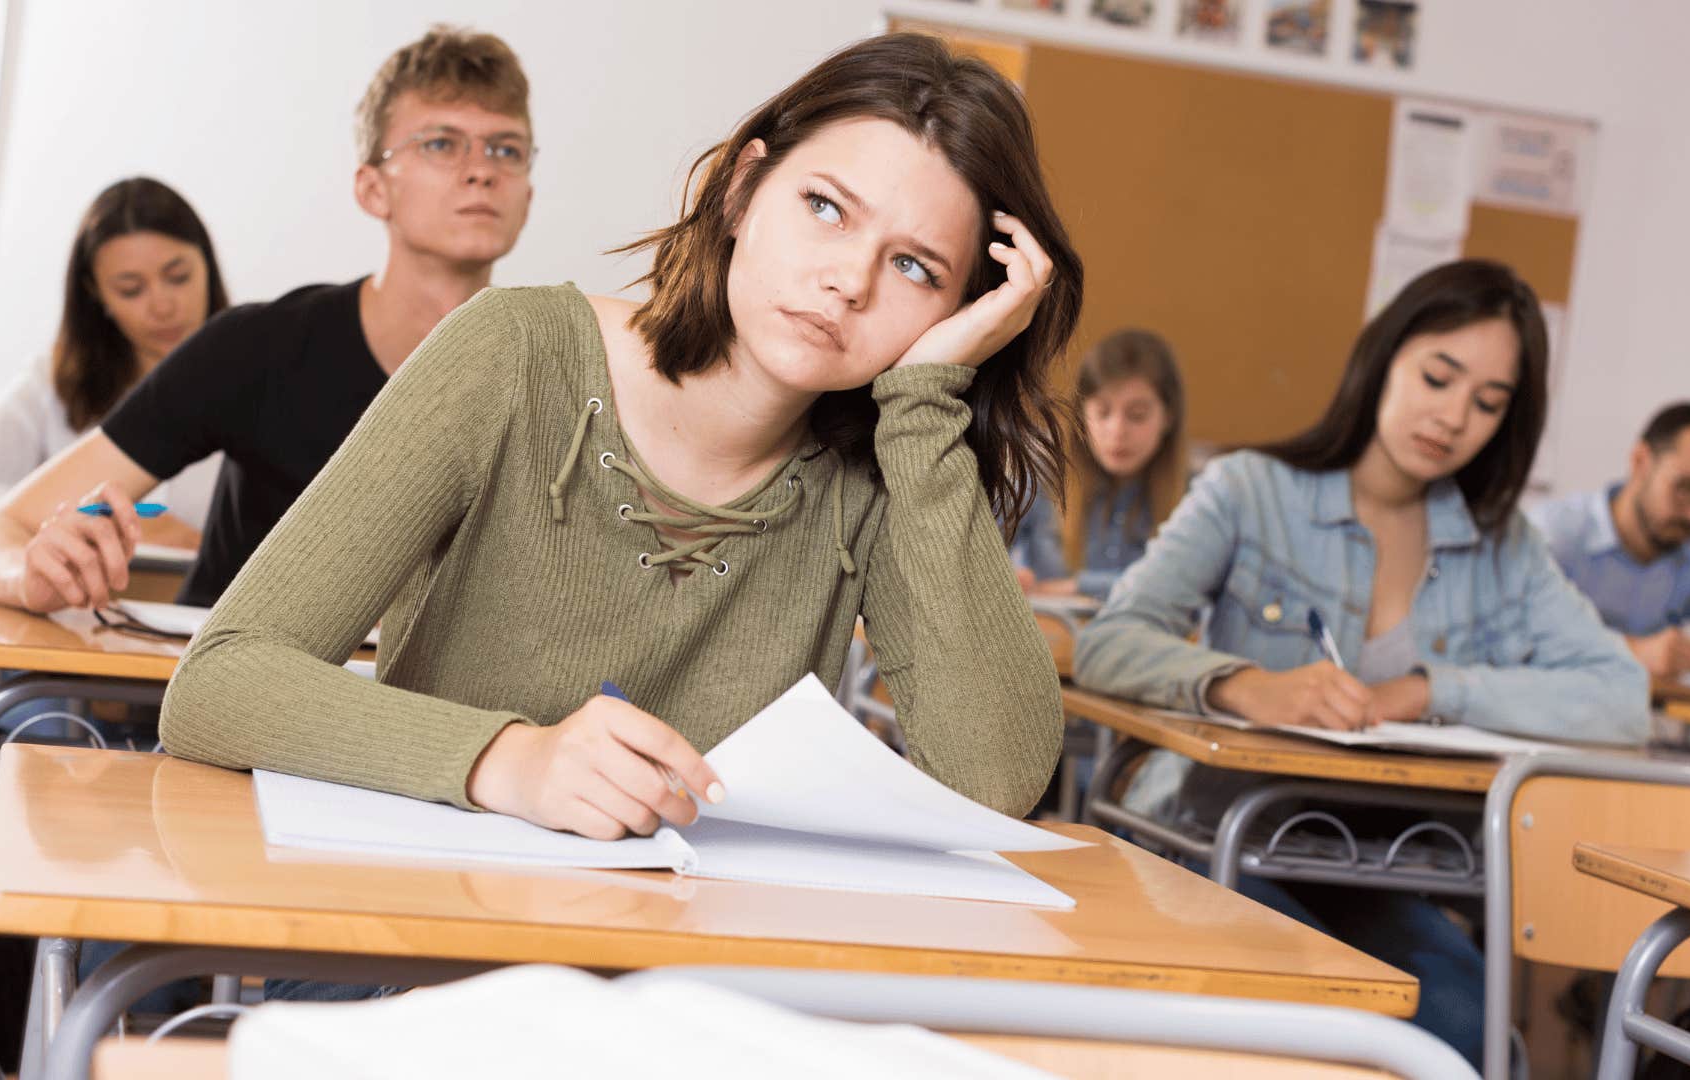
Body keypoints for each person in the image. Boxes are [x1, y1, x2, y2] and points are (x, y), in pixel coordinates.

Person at [160, 30, 1082, 851]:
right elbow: (221, 682)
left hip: (677, 973)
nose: (849, 281)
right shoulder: (513, 351)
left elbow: (992, 783)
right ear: (741, 188)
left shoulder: (888, 467)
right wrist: (510, 762)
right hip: (416, 936)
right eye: (826, 208)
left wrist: (926, 403)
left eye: (915, 267)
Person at [1072, 259, 1649, 1067]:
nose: (1452, 418)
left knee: (1475, 1046)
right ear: (1385, 357)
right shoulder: (1248, 490)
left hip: (1386, 867)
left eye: (1488, 403)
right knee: (1334, 1035)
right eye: (1438, 377)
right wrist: (1247, 686)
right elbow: (1107, 641)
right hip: (1217, 840)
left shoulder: (1503, 547)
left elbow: (1622, 697)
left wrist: (1429, 690)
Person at [0, 25, 536, 612]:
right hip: (218, 705)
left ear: (526, 194)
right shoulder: (257, 347)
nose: (481, 169)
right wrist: (27, 574)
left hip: (422, 711)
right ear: (372, 188)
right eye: (440, 143)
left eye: (505, 149)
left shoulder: (561, 378)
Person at [0, 177, 226, 543]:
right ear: (95, 292)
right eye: (130, 289)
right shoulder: (55, 383)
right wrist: (78, 516)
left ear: (207, 266)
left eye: (178, 277)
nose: (162, 306)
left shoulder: (255, 378)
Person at [1527, 402, 1690, 681]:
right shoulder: (1556, 532)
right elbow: (1512, 634)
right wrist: (1631, 650)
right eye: (1686, 488)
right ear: (1640, 461)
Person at [1012, 328, 1184, 600]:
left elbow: (1183, 587)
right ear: (1081, 414)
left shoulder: (1197, 498)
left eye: (1137, 416)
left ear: (1168, 417)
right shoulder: (1037, 474)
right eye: (1102, 413)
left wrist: (1075, 587)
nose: (1117, 432)